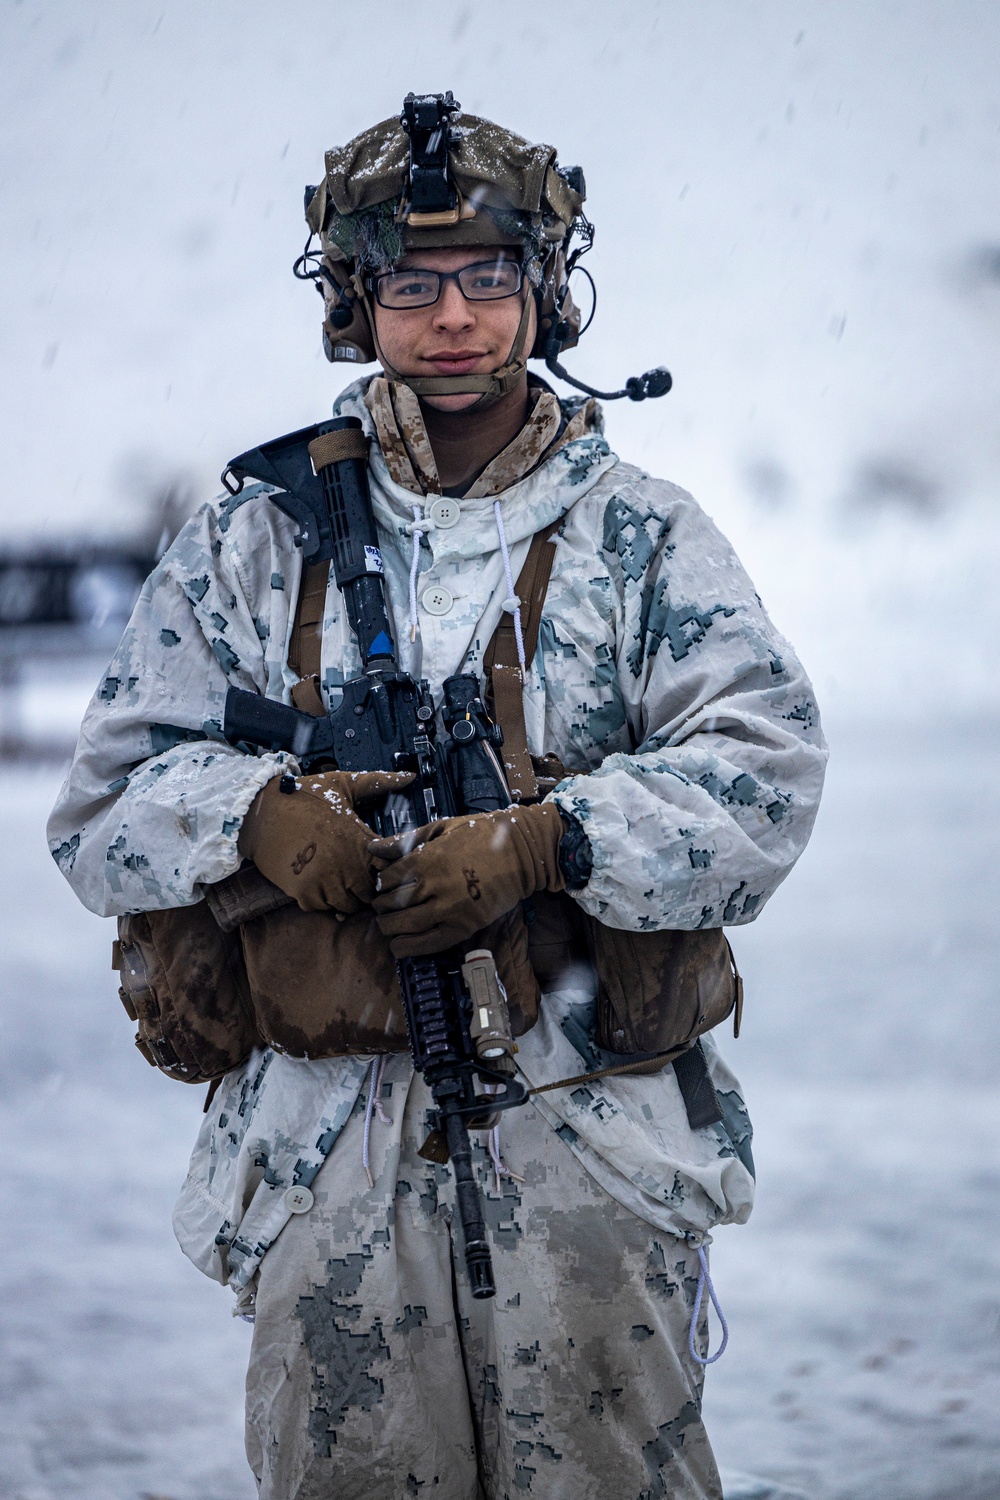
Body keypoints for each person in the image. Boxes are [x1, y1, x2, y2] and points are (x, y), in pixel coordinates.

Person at [48, 95, 827, 1500]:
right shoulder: (253, 535)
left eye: (489, 277)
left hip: (590, 1153)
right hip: (319, 1170)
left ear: (548, 290)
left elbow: (765, 774)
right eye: (413, 283)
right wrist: (251, 820)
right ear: (357, 300)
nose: (455, 315)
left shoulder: (640, 538)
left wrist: (552, 841)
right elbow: (101, 804)